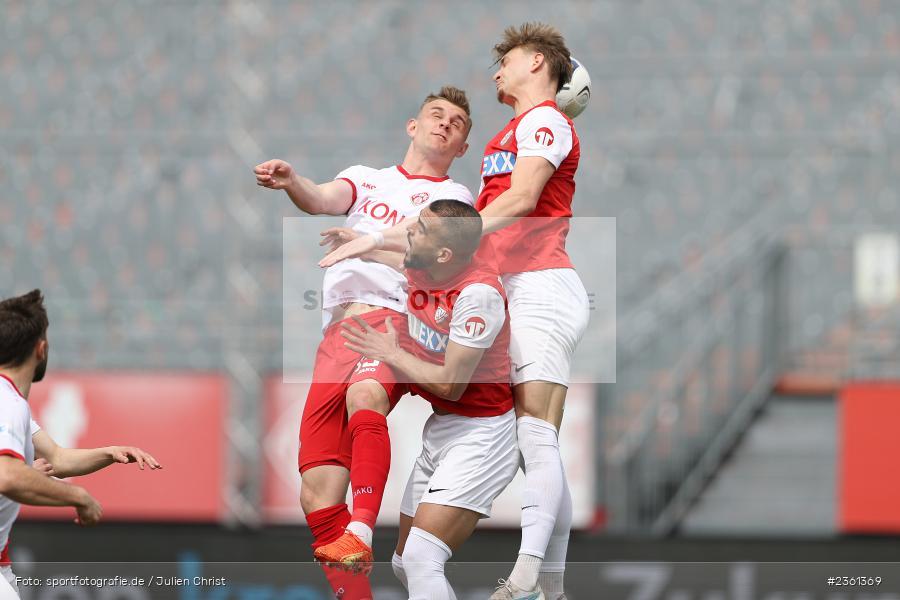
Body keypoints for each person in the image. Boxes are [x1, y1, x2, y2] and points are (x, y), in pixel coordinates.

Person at [318, 23, 588, 600]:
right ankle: (548, 583)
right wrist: (369, 241)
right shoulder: (442, 257)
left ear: (536, 61)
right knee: (405, 565)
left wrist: (456, 238)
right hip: (459, 403)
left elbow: (519, 199)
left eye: (506, 60)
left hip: (539, 283)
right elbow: (416, 243)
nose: (496, 72)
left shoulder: (543, 124)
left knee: (535, 441)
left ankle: (535, 581)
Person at [253, 87, 475, 592]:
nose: (445, 124)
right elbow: (322, 199)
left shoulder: (454, 200)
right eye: (436, 115)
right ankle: (353, 578)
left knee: (365, 394)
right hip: (340, 330)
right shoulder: (368, 179)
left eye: (457, 123)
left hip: (400, 317)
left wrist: (369, 246)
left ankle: (362, 526)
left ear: (462, 148)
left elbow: (424, 248)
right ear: (412, 126)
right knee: (318, 493)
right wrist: (293, 182)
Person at [339, 200, 518, 600]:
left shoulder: (478, 296)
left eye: (419, 228)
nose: (409, 231)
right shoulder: (426, 262)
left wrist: (392, 354)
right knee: (404, 563)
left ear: (444, 254)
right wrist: (359, 243)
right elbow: (395, 253)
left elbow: (451, 385)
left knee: (422, 558)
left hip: (484, 436)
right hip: (443, 429)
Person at [0, 290, 161, 599]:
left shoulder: (10, 402)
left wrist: (110, 453)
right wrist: (79, 497)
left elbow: (57, 458)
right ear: (41, 349)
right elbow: (7, 476)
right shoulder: (6, 402)